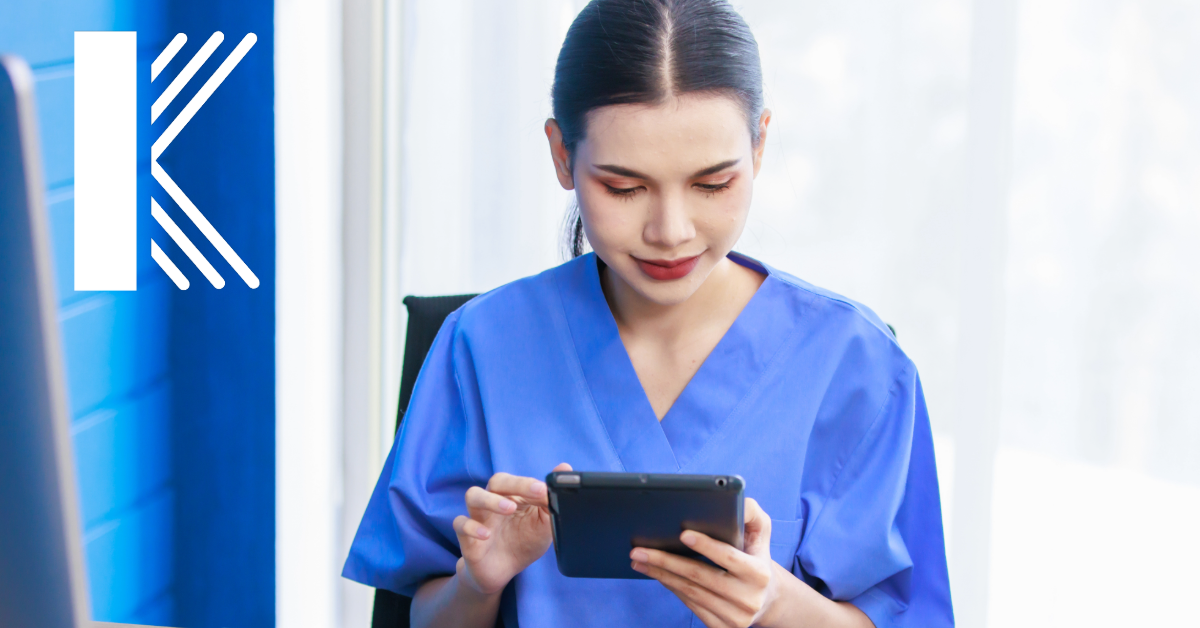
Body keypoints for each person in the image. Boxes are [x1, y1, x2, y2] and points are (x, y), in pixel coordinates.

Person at [342, 0, 953, 626]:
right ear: (560, 155)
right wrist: (480, 579)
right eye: (623, 187)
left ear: (760, 144)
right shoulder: (482, 345)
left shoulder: (857, 366)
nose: (671, 231)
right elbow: (418, 614)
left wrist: (773, 601)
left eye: (712, 184)